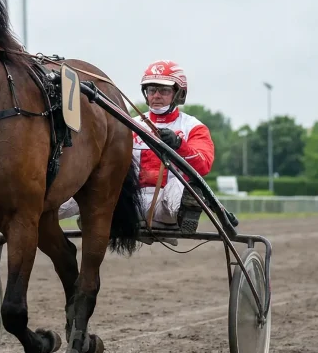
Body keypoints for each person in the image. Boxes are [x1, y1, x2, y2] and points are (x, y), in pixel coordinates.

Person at [58, 59, 215, 233]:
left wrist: (179, 145)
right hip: (129, 204)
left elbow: (204, 165)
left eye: (164, 90)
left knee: (182, 186)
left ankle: (187, 212)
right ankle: (40, 207)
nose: (156, 95)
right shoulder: (129, 124)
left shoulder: (193, 127)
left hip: (166, 208)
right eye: (151, 90)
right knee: (86, 183)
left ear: (178, 94)